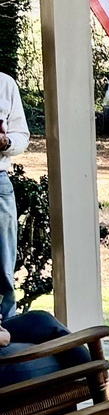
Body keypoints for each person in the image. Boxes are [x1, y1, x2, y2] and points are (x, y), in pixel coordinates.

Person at [0, 66, 27, 324]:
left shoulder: (5, 84)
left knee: (3, 265)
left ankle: (7, 330)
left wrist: (6, 142)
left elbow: (21, 136)